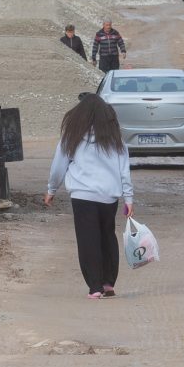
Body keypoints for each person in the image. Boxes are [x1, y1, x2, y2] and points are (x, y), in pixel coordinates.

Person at [44, 95, 133, 299]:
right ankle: (108, 283)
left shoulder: (72, 137)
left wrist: (51, 189)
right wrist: (129, 199)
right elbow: (124, 171)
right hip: (109, 197)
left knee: (88, 240)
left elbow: (59, 167)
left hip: (83, 196)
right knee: (107, 236)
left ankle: (95, 287)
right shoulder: (115, 139)